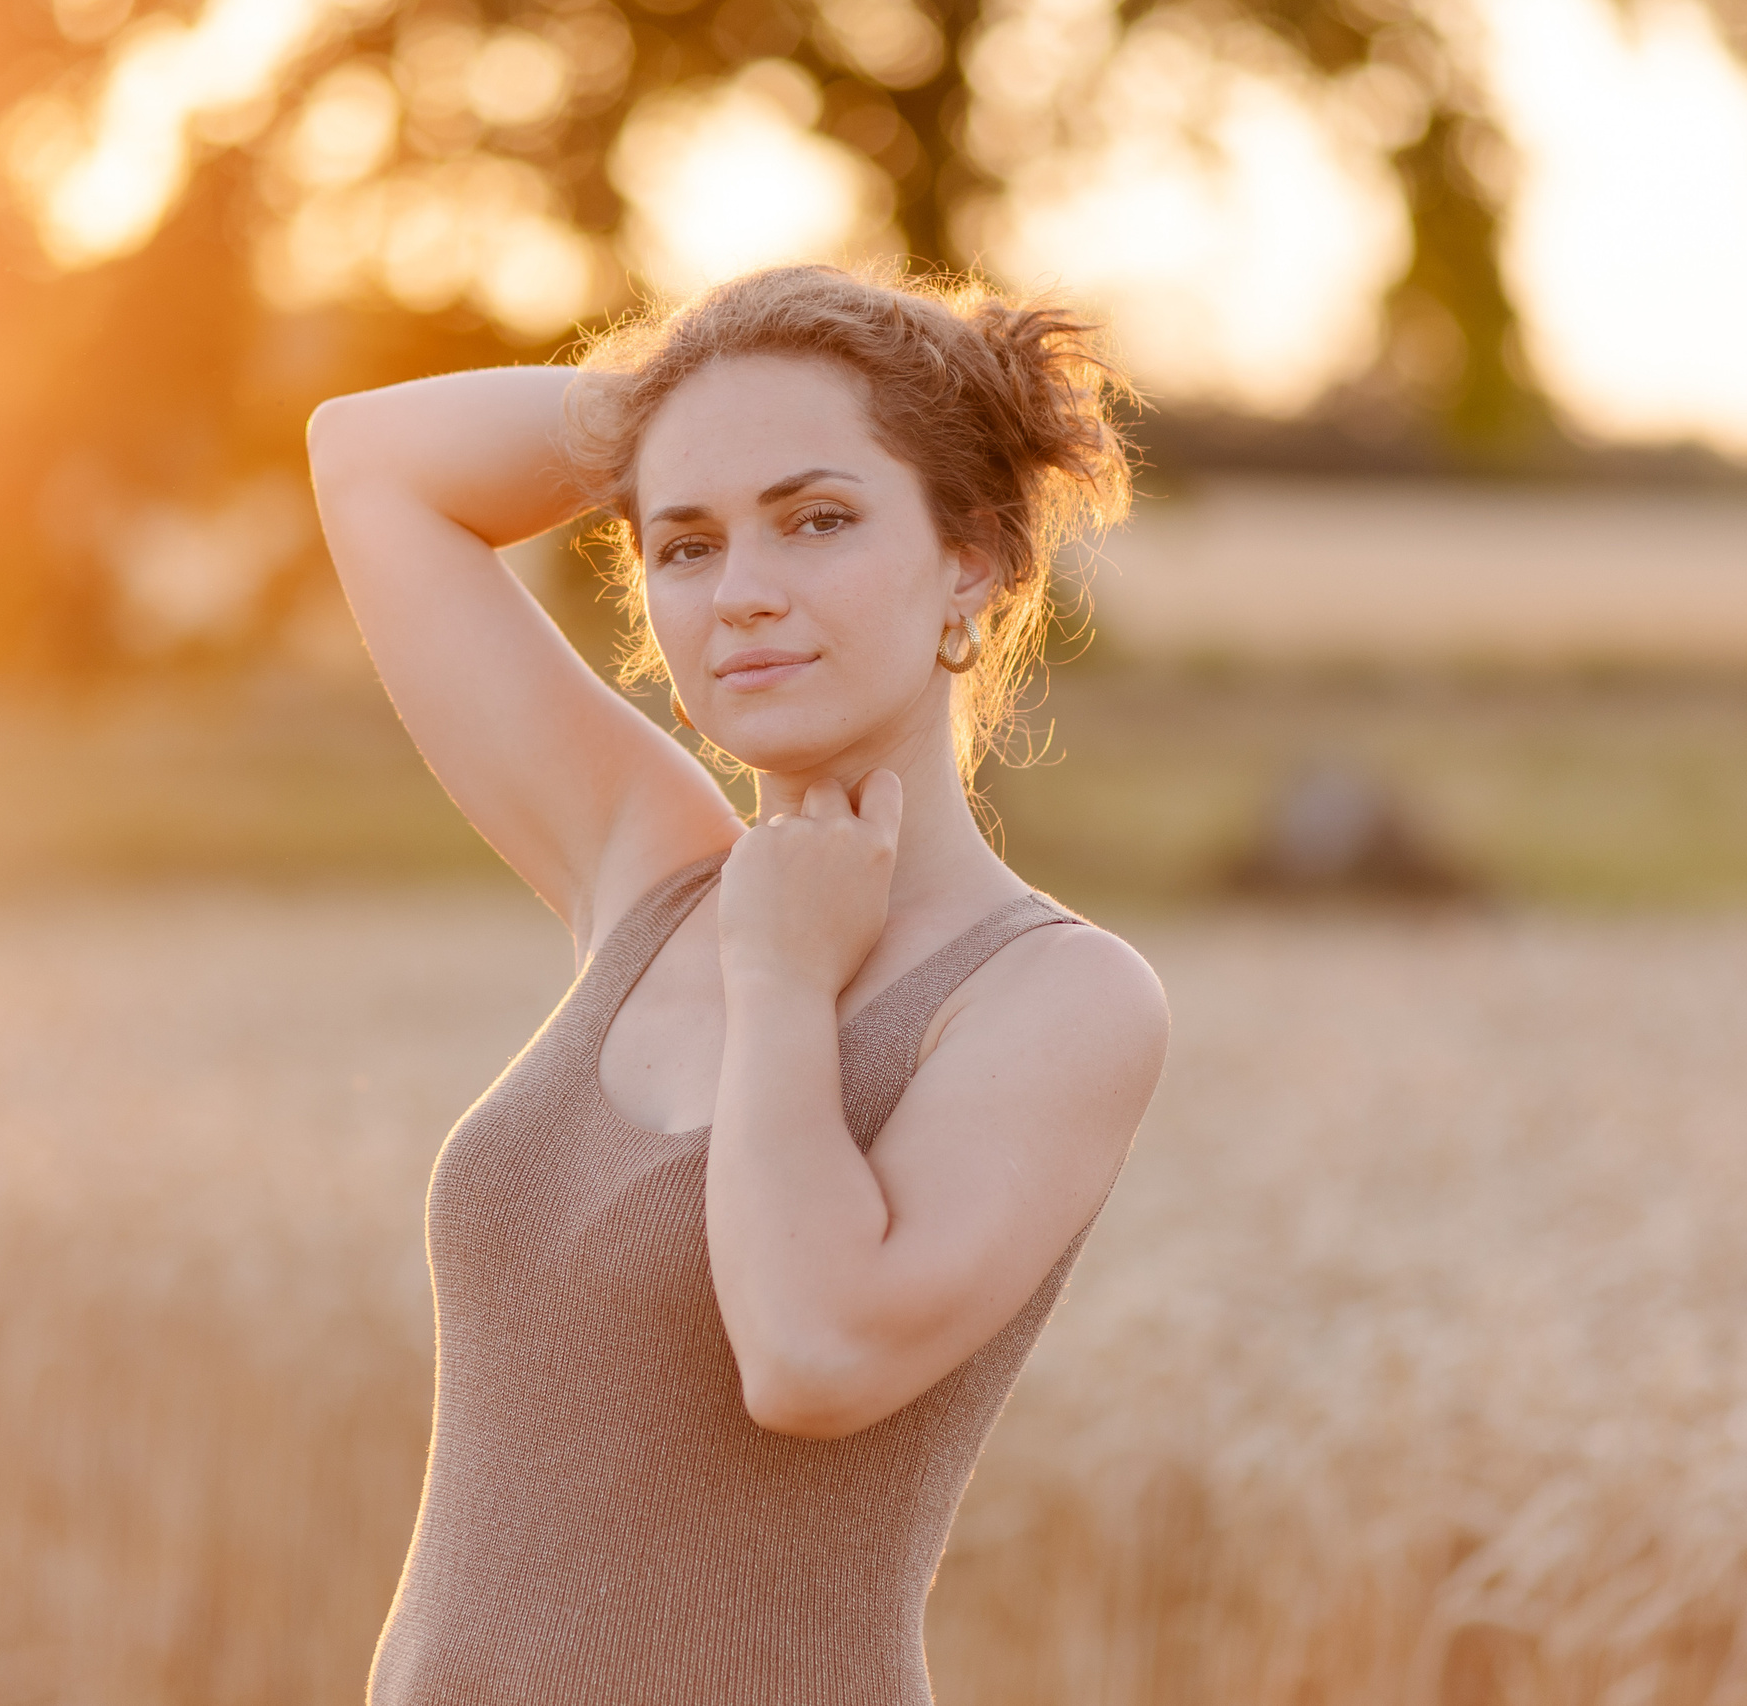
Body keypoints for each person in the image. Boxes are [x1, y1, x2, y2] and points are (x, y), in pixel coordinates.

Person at [305, 263, 1171, 1705]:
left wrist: (782, 980)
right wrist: (680, 402)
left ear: (973, 553)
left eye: (818, 518)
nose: (746, 593)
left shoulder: (1053, 997)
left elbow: (812, 1351)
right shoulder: (646, 864)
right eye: (686, 542)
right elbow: (370, 460)